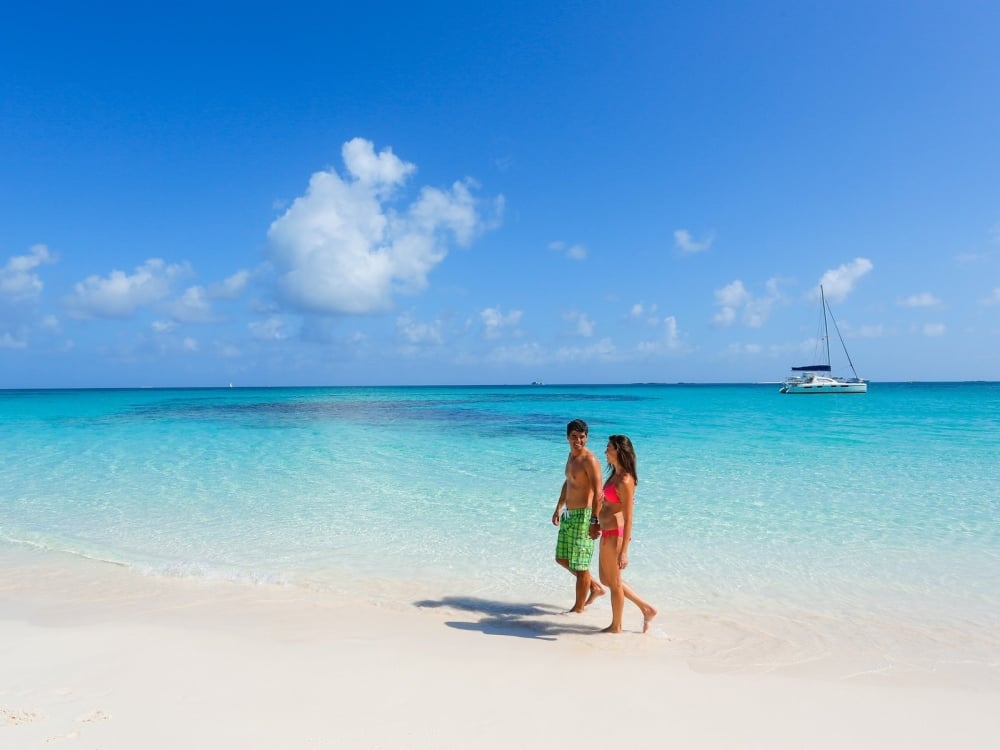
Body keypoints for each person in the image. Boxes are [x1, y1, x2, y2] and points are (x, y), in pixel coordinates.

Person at [593, 434, 657, 633]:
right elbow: (605, 503)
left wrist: (624, 551)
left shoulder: (626, 480)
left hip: (617, 534)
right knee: (607, 580)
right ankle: (646, 609)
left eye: (608, 448)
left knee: (614, 583)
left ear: (618, 451)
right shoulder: (614, 474)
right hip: (606, 531)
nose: (605, 451)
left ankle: (616, 626)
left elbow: (629, 517)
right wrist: (595, 522)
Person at [552, 419, 605, 613]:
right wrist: (559, 507)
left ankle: (578, 609)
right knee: (561, 558)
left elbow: (599, 493)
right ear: (567, 437)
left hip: (584, 516)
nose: (578, 441)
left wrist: (594, 520)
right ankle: (595, 587)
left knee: (581, 566)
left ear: (587, 437)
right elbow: (568, 482)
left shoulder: (589, 460)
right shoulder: (571, 456)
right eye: (574, 437)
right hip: (569, 514)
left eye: (582, 437)